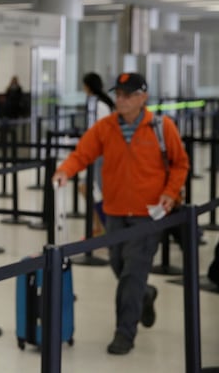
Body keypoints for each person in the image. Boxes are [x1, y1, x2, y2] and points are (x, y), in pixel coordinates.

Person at [51, 72, 189, 355]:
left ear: (142, 97)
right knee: (118, 265)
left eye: (128, 95)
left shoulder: (162, 127)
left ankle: (124, 333)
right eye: (119, 94)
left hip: (147, 214)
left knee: (132, 273)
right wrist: (65, 170)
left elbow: (180, 164)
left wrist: (170, 192)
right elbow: (83, 153)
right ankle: (145, 294)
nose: (121, 100)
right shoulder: (106, 127)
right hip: (114, 210)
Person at [82, 72, 116, 235]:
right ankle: (99, 226)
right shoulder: (96, 102)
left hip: (100, 153)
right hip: (95, 152)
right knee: (88, 188)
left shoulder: (100, 104)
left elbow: (102, 132)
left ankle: (105, 226)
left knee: (95, 190)